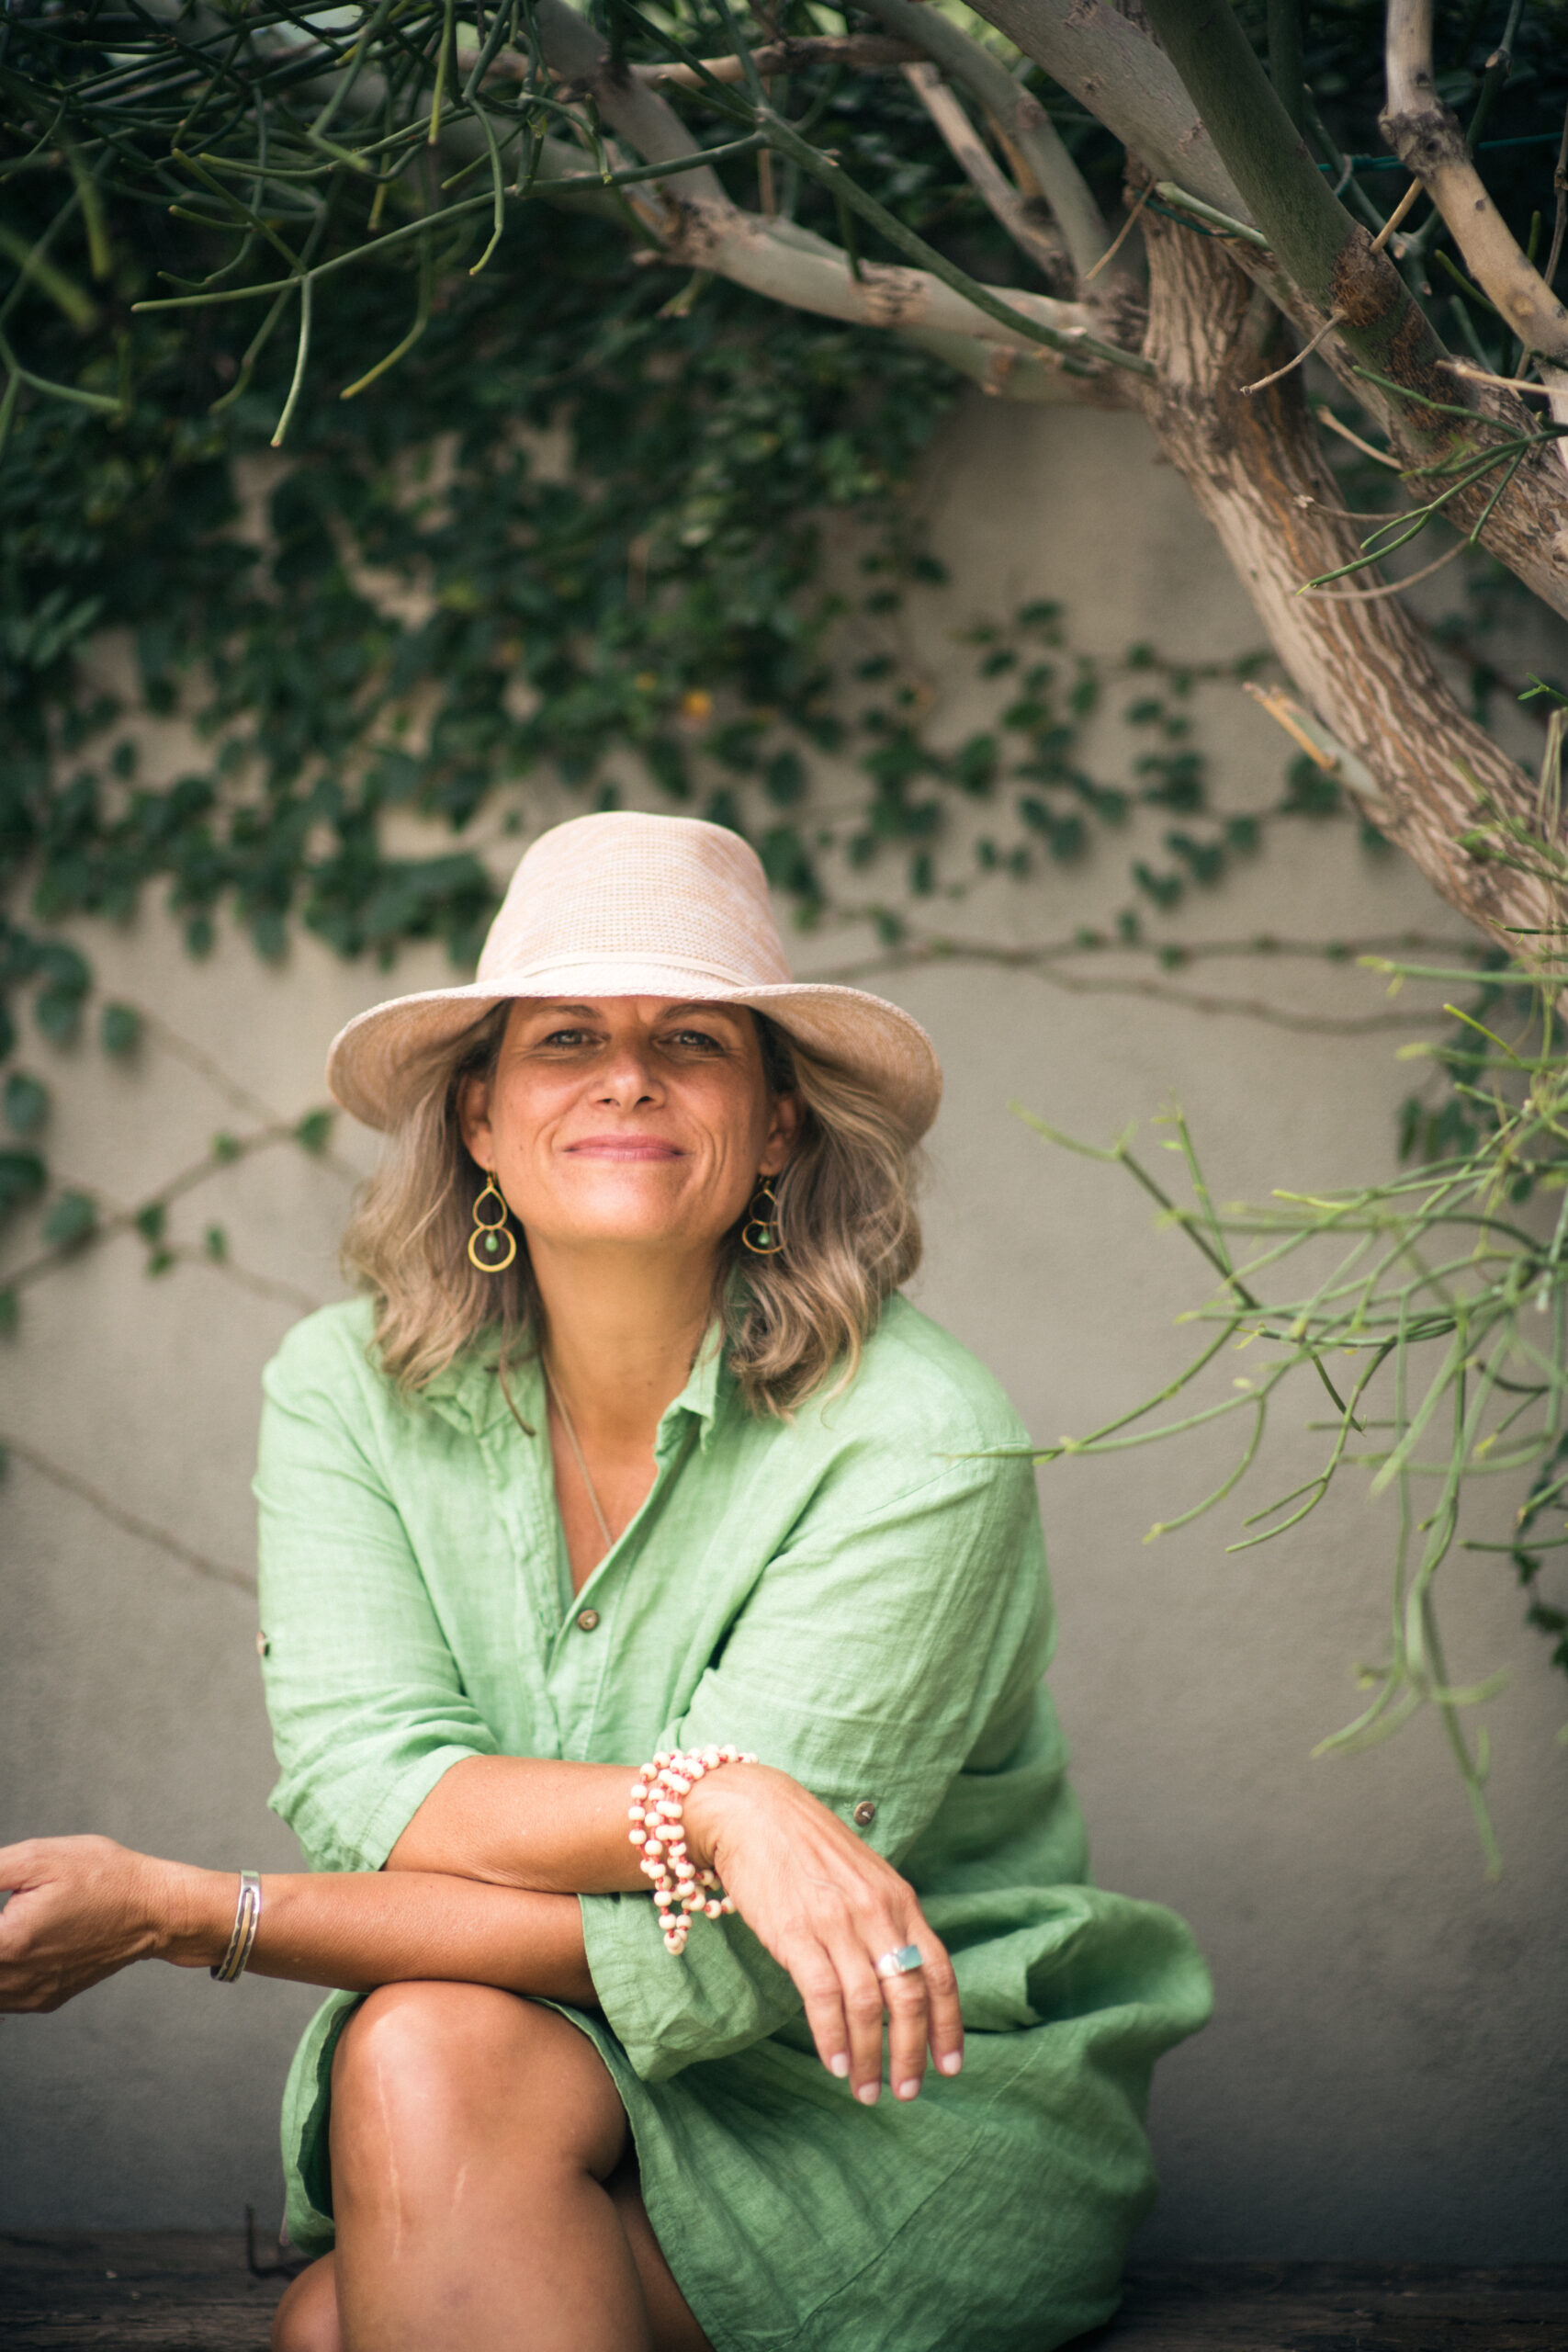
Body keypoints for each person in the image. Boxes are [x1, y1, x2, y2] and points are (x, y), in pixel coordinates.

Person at [0, 812, 1211, 2352]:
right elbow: (375, 1788)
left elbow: (727, 1960)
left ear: (776, 1129)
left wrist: (192, 1913)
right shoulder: (342, 1391)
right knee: (416, 2087)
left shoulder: (920, 1436)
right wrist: (716, 1805)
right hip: (533, 2058)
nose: (626, 1077)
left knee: (358, 2269)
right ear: (481, 1119)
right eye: (567, 1036)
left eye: (690, 1040)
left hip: (889, 2096)